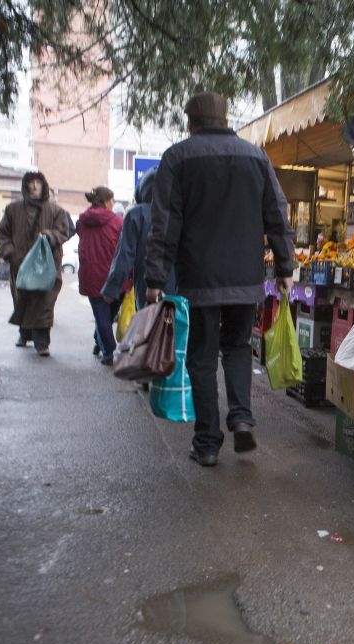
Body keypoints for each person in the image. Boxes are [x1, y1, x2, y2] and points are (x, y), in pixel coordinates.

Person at [145, 91, 295, 467]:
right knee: (239, 347)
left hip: (199, 278)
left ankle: (208, 442)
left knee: (201, 357)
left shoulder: (177, 158)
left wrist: (155, 276)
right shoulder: (256, 157)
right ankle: (242, 417)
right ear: (226, 118)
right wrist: (285, 267)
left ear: (190, 121)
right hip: (246, 278)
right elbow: (277, 214)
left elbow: (164, 224)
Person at [0, 171, 72, 356]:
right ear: (25, 186)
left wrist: (50, 235)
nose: (35, 186)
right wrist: (10, 254)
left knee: (44, 303)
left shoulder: (55, 211)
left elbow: (65, 230)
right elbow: (2, 235)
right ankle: (24, 333)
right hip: (21, 264)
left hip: (46, 266)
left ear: (44, 185)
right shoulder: (12, 210)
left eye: (38, 182)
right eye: (31, 183)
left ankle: (42, 343)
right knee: (22, 301)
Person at [102, 167, 176, 311]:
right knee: (177, 330)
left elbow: (124, 255)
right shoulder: (179, 213)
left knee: (151, 330)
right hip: (180, 287)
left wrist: (112, 288)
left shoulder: (136, 214)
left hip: (147, 286)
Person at [76, 186, 124, 366]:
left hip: (91, 274)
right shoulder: (118, 222)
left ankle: (100, 340)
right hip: (114, 276)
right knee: (107, 315)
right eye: (112, 200)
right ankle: (108, 352)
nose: (113, 204)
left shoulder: (82, 221)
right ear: (105, 202)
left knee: (101, 313)